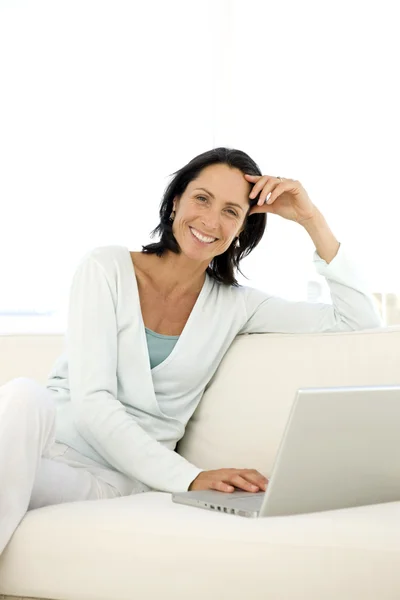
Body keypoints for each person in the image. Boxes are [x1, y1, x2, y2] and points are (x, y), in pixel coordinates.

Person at [0, 147, 382, 553]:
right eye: (202, 199)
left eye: (231, 211)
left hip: (112, 478)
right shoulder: (105, 268)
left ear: (241, 230)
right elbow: (93, 402)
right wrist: (188, 477)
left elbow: (358, 322)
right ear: (176, 201)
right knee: (23, 394)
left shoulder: (237, 306)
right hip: (44, 446)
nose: (210, 221)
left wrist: (311, 219)